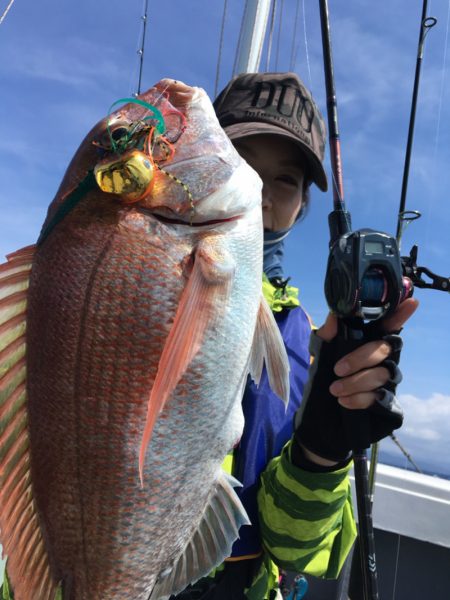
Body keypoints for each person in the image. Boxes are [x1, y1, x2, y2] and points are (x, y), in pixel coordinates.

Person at [171, 72, 418, 600]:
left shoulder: (304, 337)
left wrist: (320, 451)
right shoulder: (150, 282)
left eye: (284, 180)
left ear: (302, 206)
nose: (257, 190)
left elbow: (294, 548)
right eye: (239, 163)